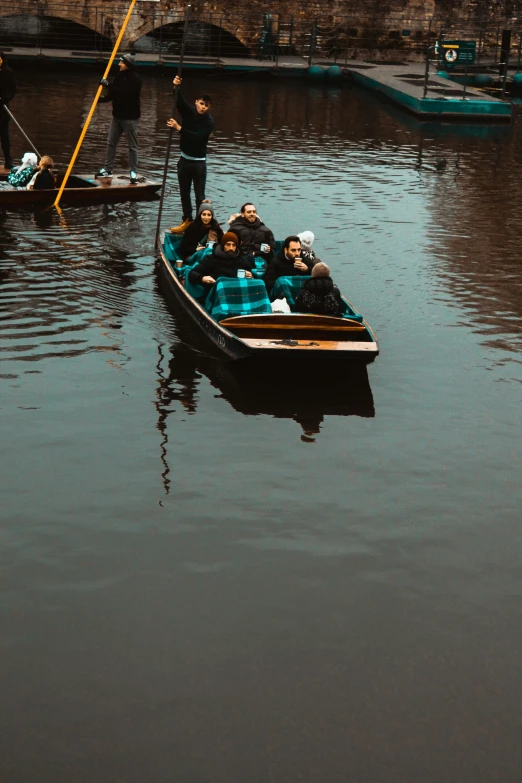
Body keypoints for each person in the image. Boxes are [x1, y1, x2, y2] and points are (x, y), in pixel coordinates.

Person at [168, 76, 214, 233]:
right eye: (201, 104)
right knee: (184, 193)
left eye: (206, 106)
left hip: (199, 163)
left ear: (209, 107)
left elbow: (197, 137)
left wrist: (179, 128)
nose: (203, 108)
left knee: (199, 197)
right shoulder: (188, 112)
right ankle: (187, 220)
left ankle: (202, 226)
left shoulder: (209, 122)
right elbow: (179, 102)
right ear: (196, 102)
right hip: (184, 161)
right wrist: (176, 87)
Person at [97, 54, 141, 184]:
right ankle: (108, 169)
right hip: (117, 116)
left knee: (132, 146)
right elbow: (113, 95)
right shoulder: (119, 76)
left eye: (121, 62)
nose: (119, 64)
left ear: (127, 64)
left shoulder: (136, 80)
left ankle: (133, 172)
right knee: (111, 142)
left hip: (130, 119)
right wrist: (101, 99)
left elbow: (123, 93)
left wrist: (108, 85)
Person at [188, 231, 253, 291]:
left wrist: (250, 275)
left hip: (238, 291)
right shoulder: (211, 259)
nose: (231, 248)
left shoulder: (241, 259)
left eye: (233, 245)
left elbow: (250, 273)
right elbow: (192, 274)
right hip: (219, 292)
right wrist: (202, 278)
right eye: (228, 245)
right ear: (223, 245)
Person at [0, 51, 16, 170]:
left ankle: (8, 160)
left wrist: (5, 98)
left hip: (2, 108)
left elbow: (13, 90)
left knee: (4, 135)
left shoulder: (7, 72)